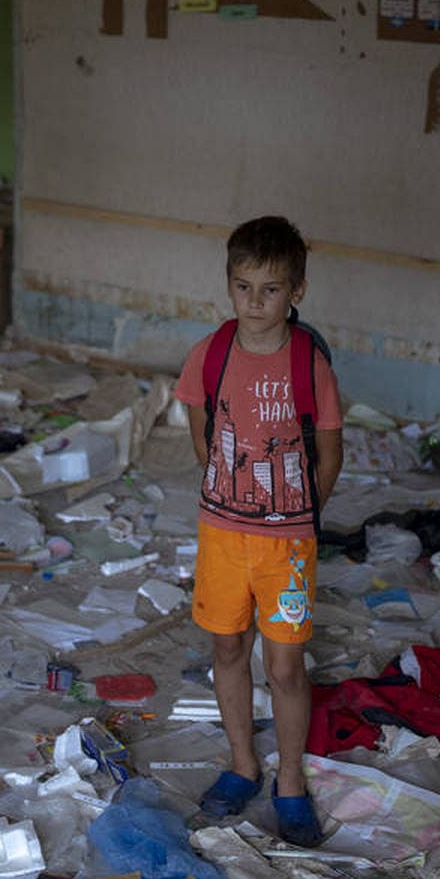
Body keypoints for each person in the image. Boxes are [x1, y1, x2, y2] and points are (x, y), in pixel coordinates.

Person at [175, 216, 344, 847]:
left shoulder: (309, 361)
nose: (254, 302)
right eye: (242, 286)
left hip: (287, 545)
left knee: (286, 665)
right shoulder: (211, 352)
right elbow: (201, 430)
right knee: (226, 650)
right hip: (222, 536)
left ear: (297, 290)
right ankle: (243, 764)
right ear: (229, 285)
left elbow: (330, 451)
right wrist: (233, 497)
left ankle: (291, 781)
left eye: (270, 289)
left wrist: (300, 519)